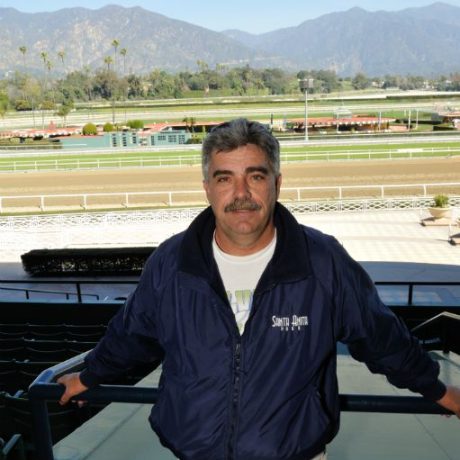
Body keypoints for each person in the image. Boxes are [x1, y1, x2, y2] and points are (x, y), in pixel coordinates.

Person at [58, 118, 460, 460]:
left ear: (276, 183)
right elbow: (132, 334)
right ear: (207, 189)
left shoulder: (323, 261)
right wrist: (88, 376)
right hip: (193, 451)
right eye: (225, 179)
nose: (241, 194)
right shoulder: (170, 263)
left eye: (255, 176)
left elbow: (379, 336)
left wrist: (437, 388)